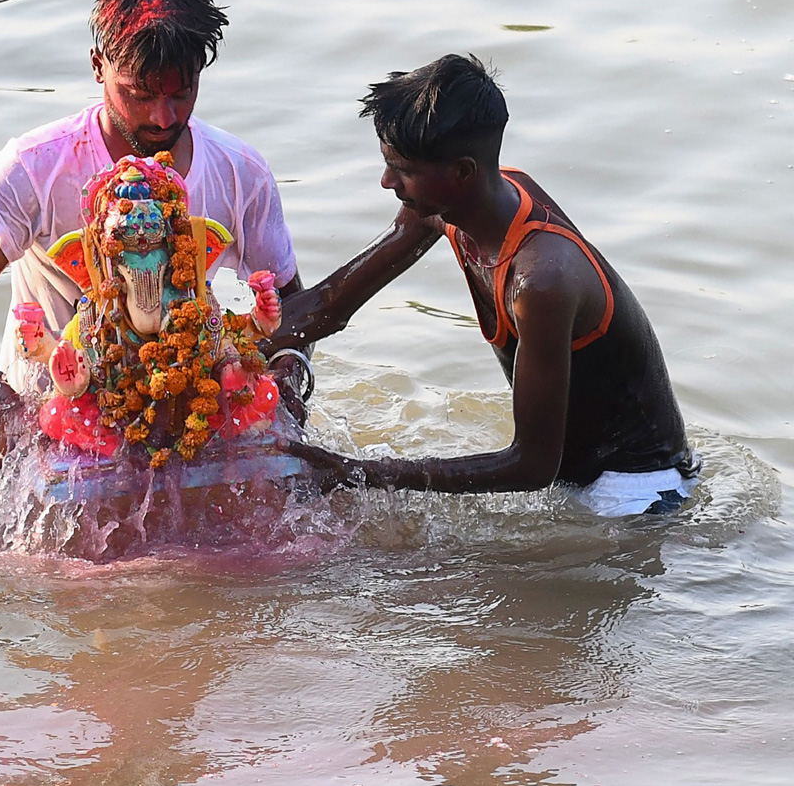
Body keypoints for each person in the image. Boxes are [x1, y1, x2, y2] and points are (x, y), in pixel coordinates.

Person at [274, 54, 698, 516]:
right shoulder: (446, 206)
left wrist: (358, 473)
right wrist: (222, 347)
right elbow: (332, 305)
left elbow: (531, 466)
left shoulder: (542, 280)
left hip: (636, 490)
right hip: (572, 473)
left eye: (403, 169)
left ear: (462, 172)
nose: (386, 181)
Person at [0, 0, 306, 445]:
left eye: (181, 94)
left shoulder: (240, 173)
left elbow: (296, 311)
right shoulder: (34, 168)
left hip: (183, 417)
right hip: (55, 423)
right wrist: (3, 403)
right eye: (139, 94)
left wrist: (289, 389)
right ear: (98, 66)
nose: (163, 118)